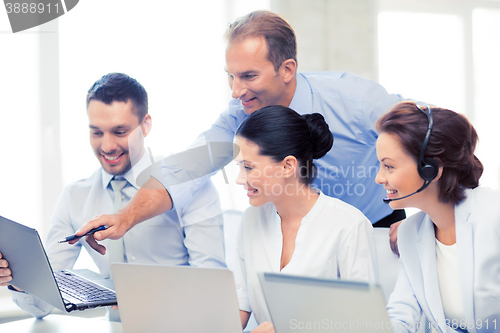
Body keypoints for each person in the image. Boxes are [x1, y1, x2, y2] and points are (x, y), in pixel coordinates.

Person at [76, 10, 404, 258]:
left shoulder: (356, 101)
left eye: (248, 76)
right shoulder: (239, 114)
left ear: (287, 69)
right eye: (230, 77)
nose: (236, 91)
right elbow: (183, 171)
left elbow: (434, 139)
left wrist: (424, 221)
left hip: (376, 229)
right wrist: (125, 217)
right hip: (293, 235)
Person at [0, 73, 226, 320]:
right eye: (97, 133)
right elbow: (41, 305)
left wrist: (150, 300)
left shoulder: (188, 184)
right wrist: (21, 281)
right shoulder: (75, 197)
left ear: (146, 125)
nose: (107, 146)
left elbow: (213, 289)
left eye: (120, 132)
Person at [234, 105, 378, 332]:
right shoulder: (251, 219)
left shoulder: (349, 225)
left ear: (287, 165)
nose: (239, 180)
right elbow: (241, 302)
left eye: (248, 168)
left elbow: (365, 324)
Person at [375, 101, 500, 333]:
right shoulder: (410, 232)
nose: (379, 178)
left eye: (388, 167)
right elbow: (403, 313)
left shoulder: (494, 214)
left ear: (431, 169)